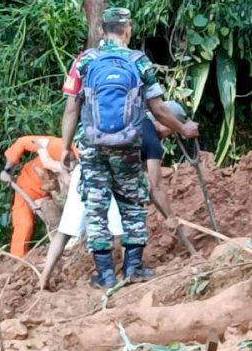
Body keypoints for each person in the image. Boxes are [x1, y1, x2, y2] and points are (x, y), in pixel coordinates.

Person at [60, 7, 199, 289]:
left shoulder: (84, 61)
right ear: (128, 30)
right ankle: (133, 268)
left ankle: (105, 274)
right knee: (132, 204)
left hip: (93, 145)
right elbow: (158, 109)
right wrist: (183, 128)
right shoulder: (138, 61)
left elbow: (71, 109)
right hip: (127, 143)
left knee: (96, 207)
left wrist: (65, 147)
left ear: (103, 30)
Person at [40, 101, 187, 289]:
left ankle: (43, 277)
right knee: (127, 223)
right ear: (167, 122)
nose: (170, 135)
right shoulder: (152, 141)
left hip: (84, 172)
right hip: (111, 178)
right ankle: (130, 273)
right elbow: (156, 184)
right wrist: (170, 217)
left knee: (66, 230)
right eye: (172, 130)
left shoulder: (130, 119)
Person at [0, 136, 69, 256]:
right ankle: (17, 260)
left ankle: (66, 249)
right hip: (27, 187)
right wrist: (7, 170)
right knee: (24, 225)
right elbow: (21, 142)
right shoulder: (55, 146)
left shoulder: (88, 167)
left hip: (54, 194)